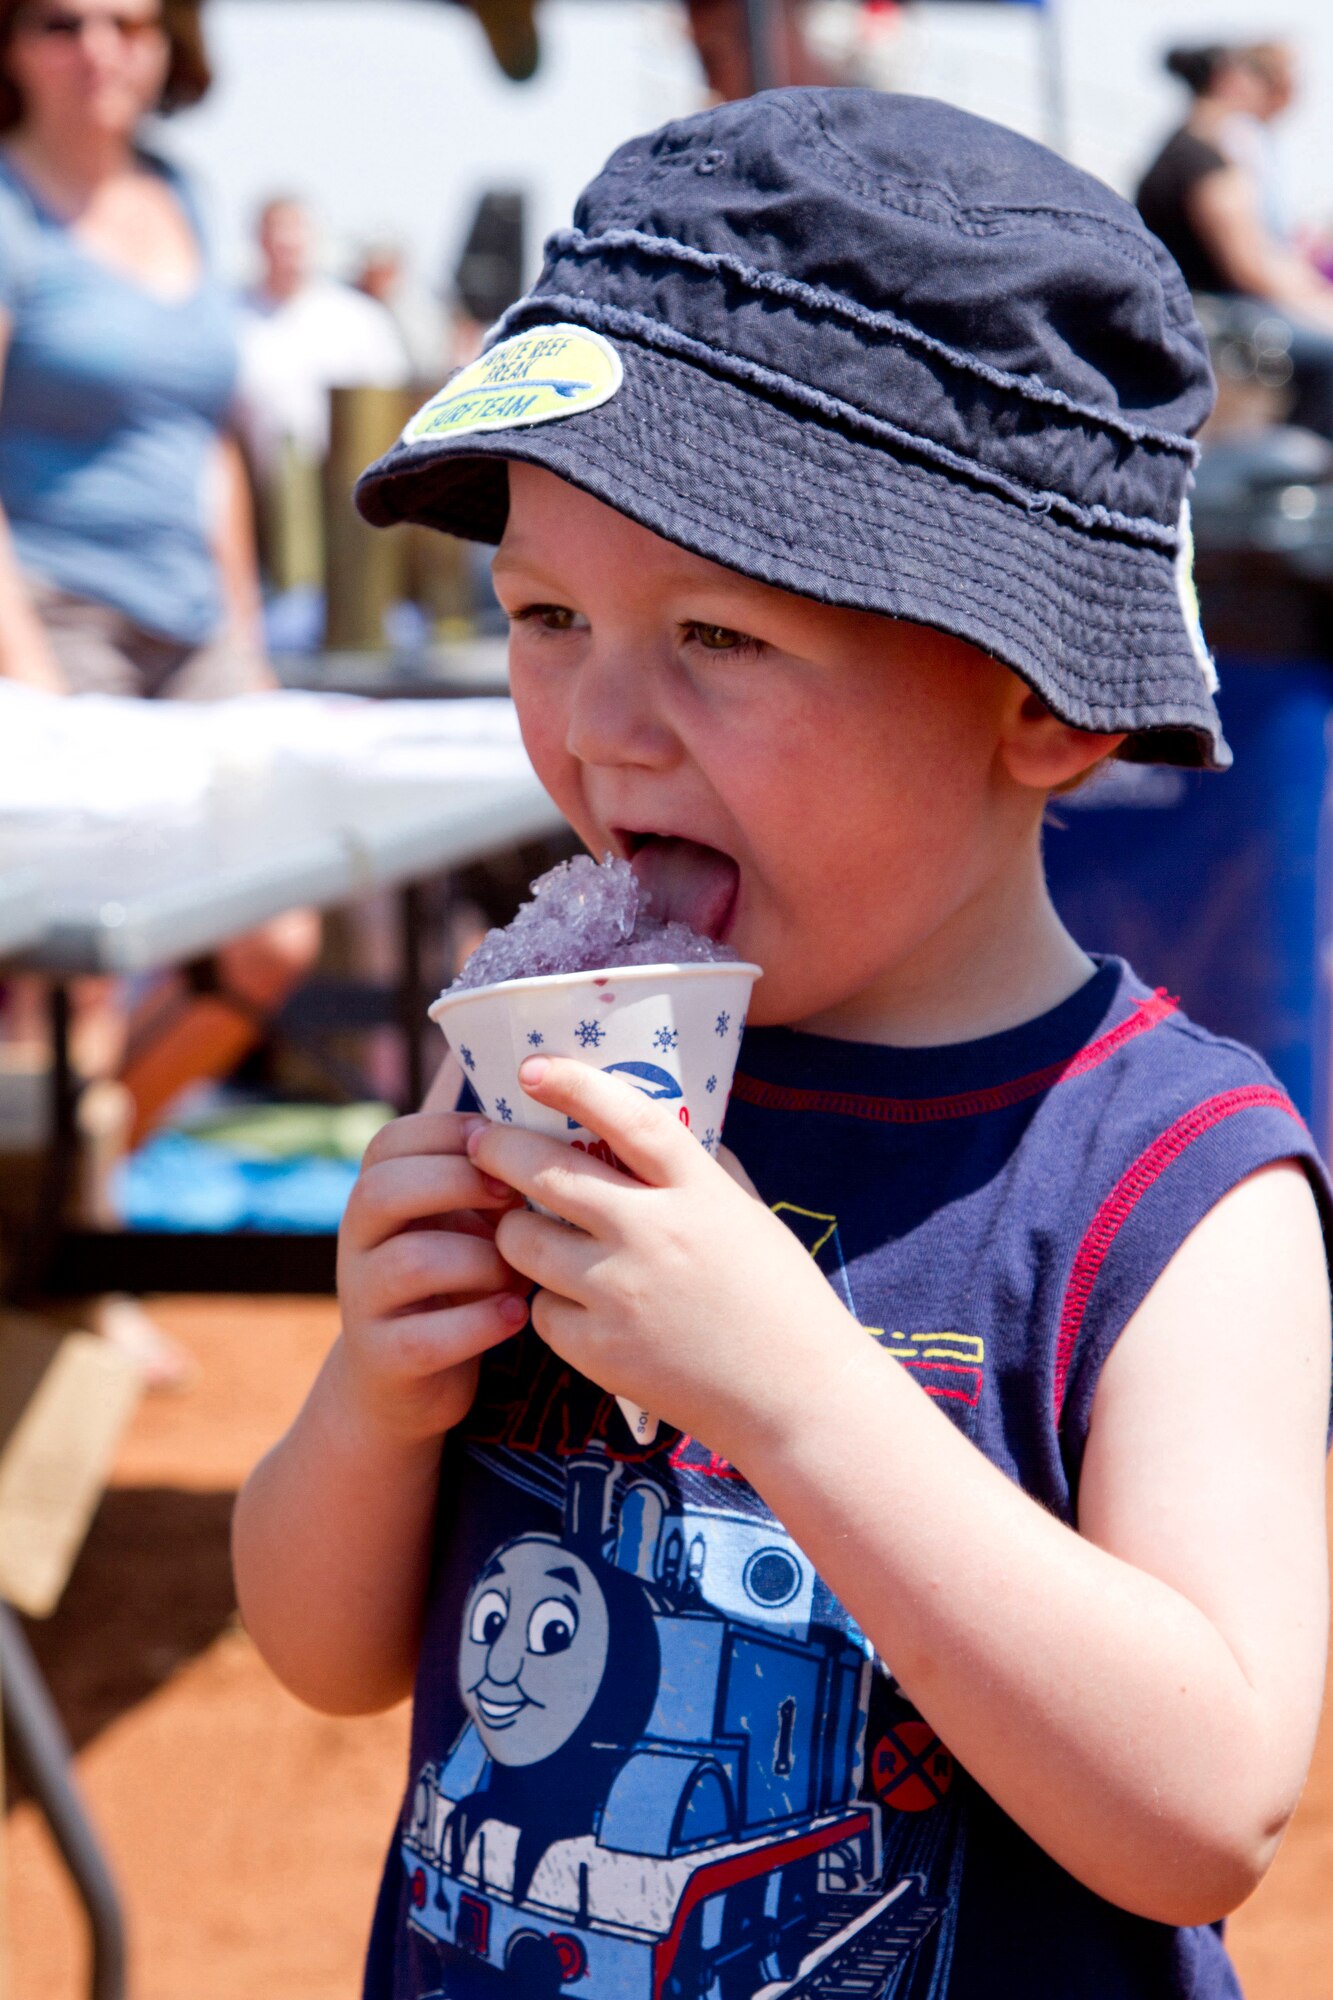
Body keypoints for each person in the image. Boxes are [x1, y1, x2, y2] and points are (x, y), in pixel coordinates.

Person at [234, 92, 1332, 1998]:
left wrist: (796, 1401)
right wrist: (372, 1394)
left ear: (1046, 703)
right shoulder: (538, 1080)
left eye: (719, 636)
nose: (601, 723)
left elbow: (1205, 1807)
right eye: (547, 615)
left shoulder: (1172, 1186)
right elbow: (328, 1658)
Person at [0, 0, 317, 1372]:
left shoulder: (184, 194)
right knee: (70, 985)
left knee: (278, 940)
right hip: (48, 624)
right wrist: (32, 685)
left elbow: (207, 452)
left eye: (127, 20)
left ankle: (51, 1213)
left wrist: (242, 653)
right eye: (62, 21)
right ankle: (82, 1266)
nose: (100, 50)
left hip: (195, 633)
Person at [1136, 41, 1333, 438]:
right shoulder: (1203, 160)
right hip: (1212, 316)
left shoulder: (1201, 149)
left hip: (1216, 312)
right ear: (1234, 81)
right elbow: (1250, 268)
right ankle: (1297, 469)